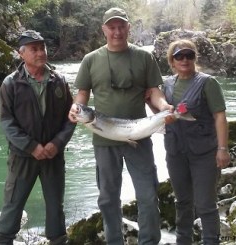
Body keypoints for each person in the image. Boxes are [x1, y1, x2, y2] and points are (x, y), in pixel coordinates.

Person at [68, 7, 173, 245]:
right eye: (112, 27)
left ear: (128, 27)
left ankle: (149, 241)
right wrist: (76, 108)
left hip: (139, 136)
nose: (117, 31)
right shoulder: (90, 60)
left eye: (121, 26)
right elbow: (82, 94)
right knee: (107, 198)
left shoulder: (144, 58)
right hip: (104, 140)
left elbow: (155, 93)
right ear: (104, 29)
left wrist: (164, 107)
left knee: (147, 195)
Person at [0, 30, 76, 245]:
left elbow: (71, 117)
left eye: (42, 48)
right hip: (22, 157)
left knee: (55, 208)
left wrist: (57, 144)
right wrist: (31, 146)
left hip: (53, 156)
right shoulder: (10, 84)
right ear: (21, 54)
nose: (40, 53)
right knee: (12, 206)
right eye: (34, 49)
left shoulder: (59, 81)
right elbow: (6, 122)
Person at [160, 39, 231, 244]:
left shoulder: (208, 82)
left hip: (204, 153)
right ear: (171, 61)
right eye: (179, 56)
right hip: (175, 153)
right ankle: (184, 241)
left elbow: (220, 116)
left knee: (206, 204)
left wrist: (222, 148)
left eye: (189, 56)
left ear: (194, 59)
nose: (184, 60)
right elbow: (159, 114)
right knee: (182, 202)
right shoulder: (167, 85)